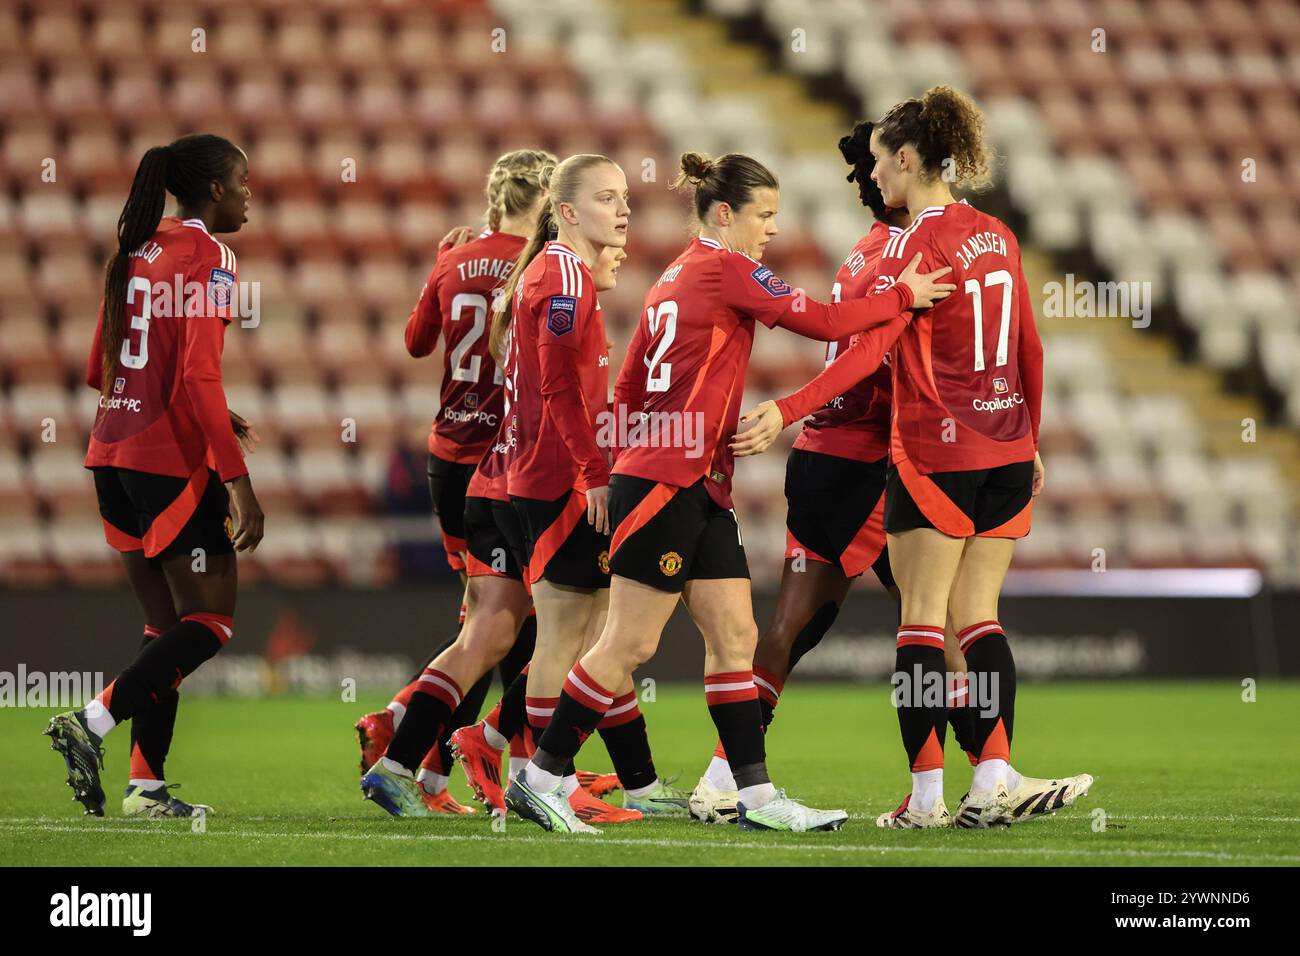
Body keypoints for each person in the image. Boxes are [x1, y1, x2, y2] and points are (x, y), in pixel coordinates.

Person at [504, 151, 956, 834]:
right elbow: (828, 325)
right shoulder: (726, 267)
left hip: (695, 480)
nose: (771, 230)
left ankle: (755, 796)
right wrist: (902, 297)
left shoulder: (676, 273)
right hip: (666, 479)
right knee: (628, 643)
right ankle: (541, 777)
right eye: (764, 216)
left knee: (736, 632)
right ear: (725, 214)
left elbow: (628, 384)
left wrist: (632, 456)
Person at [696, 121, 1092, 827]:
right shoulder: (907, 259)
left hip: (847, 461)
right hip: (862, 463)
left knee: (823, 625)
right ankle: (974, 779)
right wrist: (789, 411)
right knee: (920, 625)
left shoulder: (875, 252)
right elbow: (866, 359)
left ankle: (733, 777)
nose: (880, 177)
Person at [865, 87, 1092, 828]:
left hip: (937, 449)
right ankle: (993, 777)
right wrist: (1032, 437)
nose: (873, 179)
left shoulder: (911, 246)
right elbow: (1030, 344)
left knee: (922, 623)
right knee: (980, 619)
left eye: (877, 164)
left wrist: (790, 409)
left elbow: (871, 346)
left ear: (906, 159)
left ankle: (926, 797)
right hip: (1007, 447)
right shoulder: (998, 233)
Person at [45, 134, 263, 818]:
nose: (251, 194)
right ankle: (91, 722)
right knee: (212, 620)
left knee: (164, 622)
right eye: (244, 182)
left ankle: (146, 787)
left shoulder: (135, 248)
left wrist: (196, 404)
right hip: (165, 460)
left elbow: (97, 369)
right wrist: (238, 478)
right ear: (216, 191)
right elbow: (198, 370)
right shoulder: (211, 255)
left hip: (109, 450)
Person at [354, 149, 554, 814]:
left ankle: (435, 772)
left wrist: (441, 267)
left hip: (448, 456)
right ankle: (421, 732)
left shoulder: (455, 258)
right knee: (512, 623)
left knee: (491, 618)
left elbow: (416, 342)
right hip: (505, 463)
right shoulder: (542, 264)